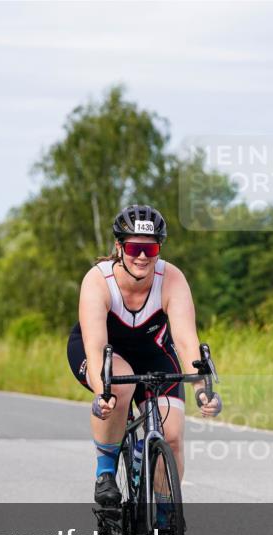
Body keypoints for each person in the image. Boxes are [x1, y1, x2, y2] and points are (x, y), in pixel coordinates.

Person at [66, 205, 222, 506]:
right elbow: (97, 347)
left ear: (158, 249)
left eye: (149, 249)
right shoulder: (98, 281)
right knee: (120, 387)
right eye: (134, 247)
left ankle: (164, 516)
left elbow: (187, 340)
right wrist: (103, 393)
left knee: (173, 436)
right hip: (103, 351)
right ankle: (106, 472)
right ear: (119, 247)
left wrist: (203, 391)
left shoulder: (171, 278)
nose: (142, 256)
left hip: (152, 351)